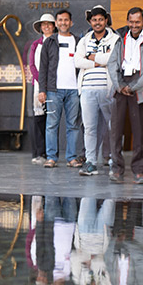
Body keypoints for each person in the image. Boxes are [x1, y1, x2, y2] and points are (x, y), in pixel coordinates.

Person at [107, 7, 143, 184]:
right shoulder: (119, 38)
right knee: (116, 129)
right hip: (121, 83)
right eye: (131, 21)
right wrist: (120, 85)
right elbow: (112, 63)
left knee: (139, 129)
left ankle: (139, 170)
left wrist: (134, 86)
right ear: (127, 21)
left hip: (140, 84)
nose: (134, 25)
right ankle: (116, 169)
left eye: (137, 22)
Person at [74, 5, 120, 176]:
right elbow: (78, 62)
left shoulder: (115, 39)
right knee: (90, 128)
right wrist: (99, 61)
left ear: (106, 20)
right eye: (94, 20)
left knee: (113, 126)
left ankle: (114, 161)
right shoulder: (84, 40)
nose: (97, 22)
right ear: (90, 21)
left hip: (108, 88)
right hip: (87, 89)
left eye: (100, 19)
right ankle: (91, 162)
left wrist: (92, 56)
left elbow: (114, 58)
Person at [38, 10, 82, 168]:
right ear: (56, 23)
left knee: (73, 125)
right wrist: (41, 90)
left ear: (71, 23)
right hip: (53, 90)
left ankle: (71, 157)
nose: (63, 23)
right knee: (51, 125)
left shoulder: (79, 41)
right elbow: (43, 68)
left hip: (74, 90)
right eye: (60, 20)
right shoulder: (49, 42)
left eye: (66, 20)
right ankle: (51, 157)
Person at [26, 13, 56, 165]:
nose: (46, 26)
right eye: (44, 24)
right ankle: (39, 152)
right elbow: (32, 65)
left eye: (49, 24)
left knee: (52, 120)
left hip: (55, 86)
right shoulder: (36, 45)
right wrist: (42, 81)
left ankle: (51, 153)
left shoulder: (58, 42)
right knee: (39, 119)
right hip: (39, 86)